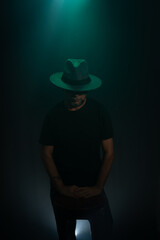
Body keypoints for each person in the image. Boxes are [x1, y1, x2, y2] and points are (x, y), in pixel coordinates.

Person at [39, 59, 114, 240]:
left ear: (87, 90)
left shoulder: (99, 112)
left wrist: (98, 187)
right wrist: (61, 187)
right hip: (62, 186)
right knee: (65, 235)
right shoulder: (53, 115)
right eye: (71, 90)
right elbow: (46, 153)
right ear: (63, 88)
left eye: (80, 92)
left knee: (104, 230)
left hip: (92, 184)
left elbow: (109, 152)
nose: (75, 95)